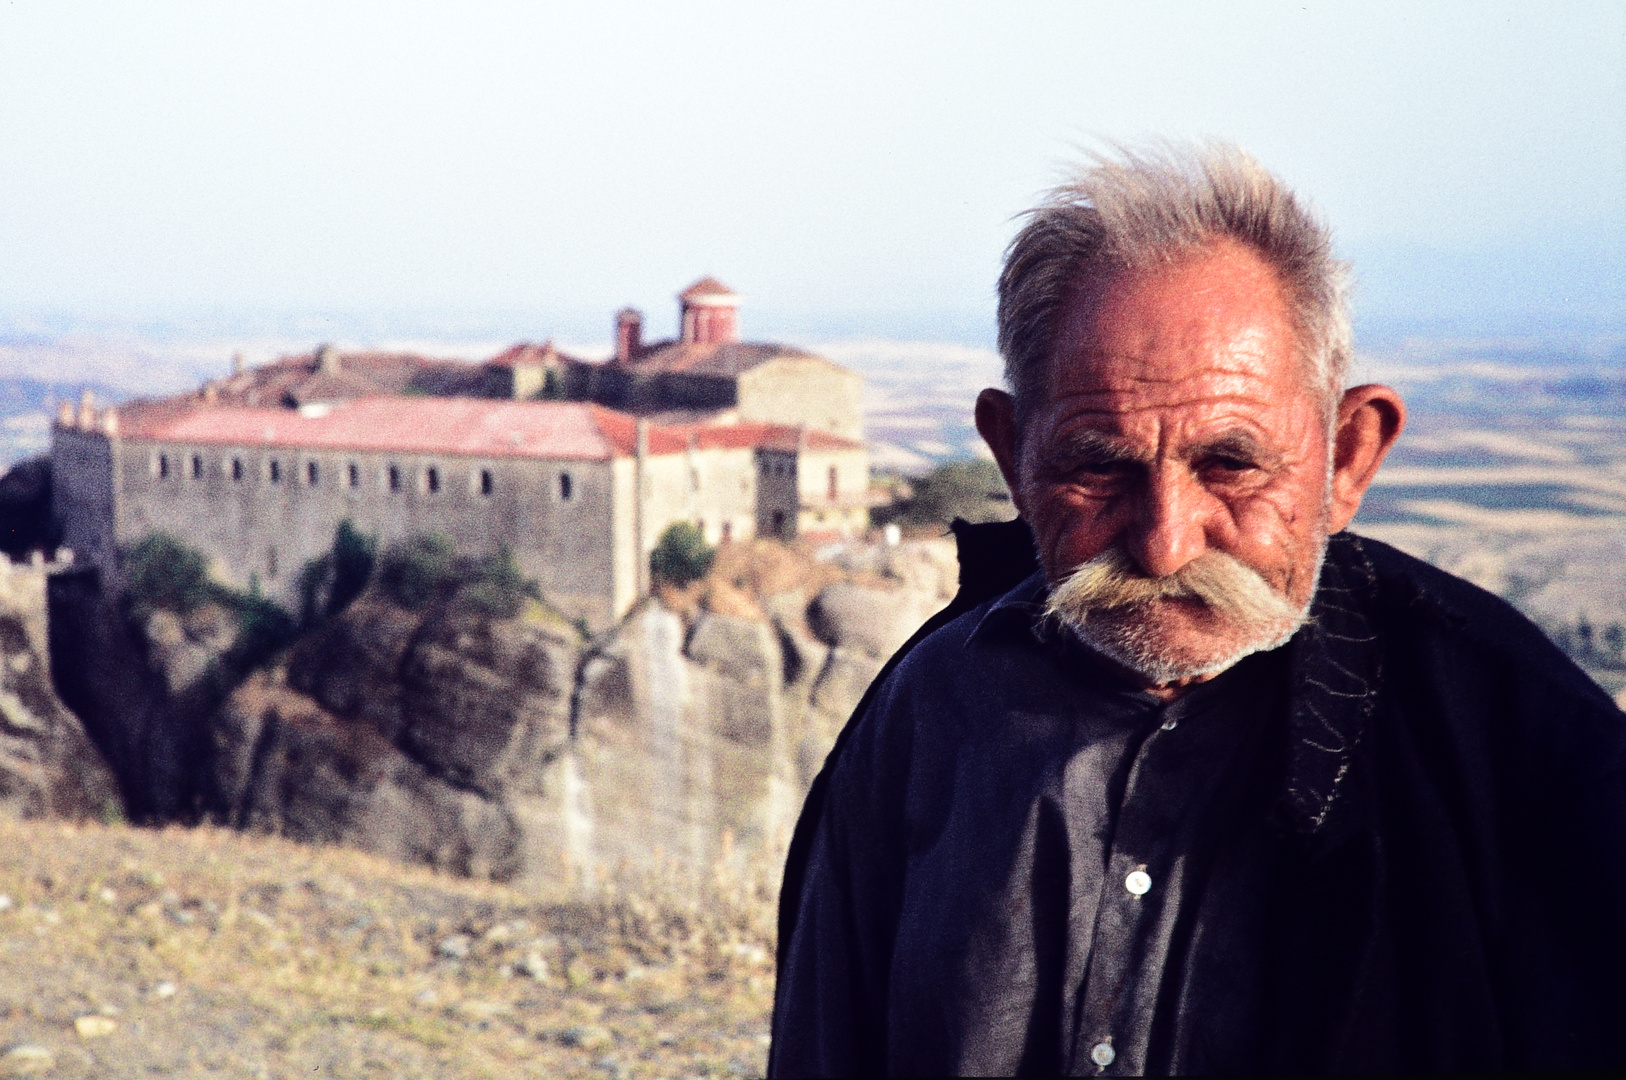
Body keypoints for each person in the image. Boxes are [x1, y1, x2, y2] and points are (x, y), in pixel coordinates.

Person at [769, 143, 1626, 1075]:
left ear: (1347, 458)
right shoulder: (933, 709)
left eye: (1231, 463)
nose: (1166, 544)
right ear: (1013, 456)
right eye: (1099, 465)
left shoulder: (1515, 750)